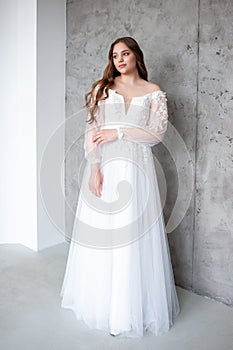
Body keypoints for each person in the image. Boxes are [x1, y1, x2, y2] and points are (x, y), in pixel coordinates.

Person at [60, 36, 180, 338]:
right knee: (103, 237)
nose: (120, 60)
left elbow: (156, 134)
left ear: (136, 56)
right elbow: (93, 131)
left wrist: (119, 132)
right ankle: (100, 303)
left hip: (137, 173)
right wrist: (94, 166)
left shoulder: (154, 93)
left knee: (130, 239)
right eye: (115, 56)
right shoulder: (104, 90)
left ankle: (125, 312)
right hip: (107, 171)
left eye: (125, 53)